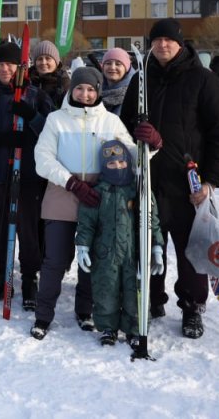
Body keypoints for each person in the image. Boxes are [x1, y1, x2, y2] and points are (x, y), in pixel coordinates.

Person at [120, 18, 219, 340]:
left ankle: (192, 306)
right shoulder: (141, 80)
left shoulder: (203, 79)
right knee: (148, 244)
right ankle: (152, 299)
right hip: (148, 180)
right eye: (157, 41)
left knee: (190, 250)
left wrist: (210, 180)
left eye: (169, 41)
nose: (162, 46)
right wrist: (134, 138)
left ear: (180, 44)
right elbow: (125, 125)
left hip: (188, 184)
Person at [31, 67, 134, 339]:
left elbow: (131, 154)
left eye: (91, 89)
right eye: (79, 88)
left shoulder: (110, 122)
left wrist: (152, 146)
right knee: (55, 259)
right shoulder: (56, 120)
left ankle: (85, 310)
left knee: (92, 260)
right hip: (63, 192)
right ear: (71, 89)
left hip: (99, 196)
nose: (85, 94)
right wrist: (72, 183)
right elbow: (43, 159)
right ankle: (43, 315)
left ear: (98, 91)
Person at [0, 41, 52, 307]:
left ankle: (29, 280)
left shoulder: (36, 96)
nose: (5, 69)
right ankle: (1, 280)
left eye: (10, 64)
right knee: (0, 228)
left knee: (27, 229)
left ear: (20, 68)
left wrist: (31, 119)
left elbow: (52, 130)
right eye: (0, 64)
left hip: (26, 175)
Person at [74, 140, 163, 348]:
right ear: (104, 166)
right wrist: (83, 246)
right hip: (105, 254)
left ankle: (134, 328)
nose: (117, 167)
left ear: (128, 162)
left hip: (134, 253)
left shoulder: (139, 191)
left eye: (121, 162)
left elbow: (152, 221)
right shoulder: (98, 192)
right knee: (106, 290)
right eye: (111, 164)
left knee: (135, 290)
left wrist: (156, 247)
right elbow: (86, 223)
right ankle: (108, 327)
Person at [29, 40, 70, 108]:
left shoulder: (64, 82)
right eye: (40, 59)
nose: (43, 62)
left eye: (48, 58)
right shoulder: (28, 80)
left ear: (56, 62)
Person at [99, 47, 134, 115]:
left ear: (126, 68)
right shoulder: (94, 91)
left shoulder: (134, 93)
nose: (112, 67)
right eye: (108, 63)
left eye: (118, 64)